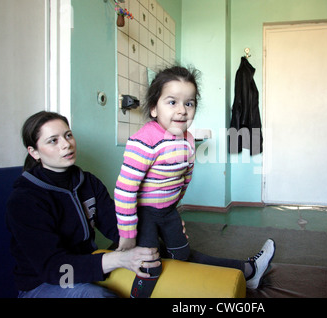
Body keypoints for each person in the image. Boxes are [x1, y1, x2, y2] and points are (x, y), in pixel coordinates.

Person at [114, 66, 275, 298]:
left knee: (181, 254)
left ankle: (248, 273)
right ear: (153, 108)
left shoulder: (188, 139)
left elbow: (185, 176)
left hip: (168, 211)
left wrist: (175, 209)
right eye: (172, 102)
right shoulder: (144, 141)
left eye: (189, 103)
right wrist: (128, 234)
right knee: (148, 265)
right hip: (145, 213)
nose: (182, 111)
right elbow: (125, 190)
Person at [6, 111, 160, 298]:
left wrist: (157, 229)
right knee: (97, 295)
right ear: (34, 152)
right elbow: (55, 270)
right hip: (44, 283)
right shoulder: (25, 199)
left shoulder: (88, 182)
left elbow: (117, 227)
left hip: (85, 269)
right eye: (53, 140)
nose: (66, 144)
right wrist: (118, 259)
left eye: (68, 135)